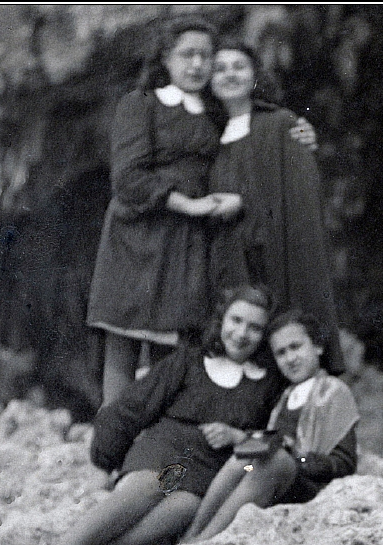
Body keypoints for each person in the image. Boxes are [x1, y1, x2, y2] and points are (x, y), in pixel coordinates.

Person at [17, 286, 281, 545]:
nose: (241, 333)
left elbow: (272, 438)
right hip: (162, 453)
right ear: (222, 320)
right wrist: (103, 463)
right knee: (154, 484)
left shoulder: (267, 385)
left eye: (254, 327)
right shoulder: (190, 362)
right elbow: (130, 409)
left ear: (264, 335)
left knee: (183, 509)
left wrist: (236, 436)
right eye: (236, 321)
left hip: (204, 474)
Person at [86, 16, 243, 406]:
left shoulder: (214, 115)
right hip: (137, 235)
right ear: (166, 60)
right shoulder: (142, 105)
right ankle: (112, 449)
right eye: (187, 55)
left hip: (186, 244)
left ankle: (151, 453)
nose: (196, 65)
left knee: (170, 352)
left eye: (205, 56)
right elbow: (128, 178)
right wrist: (188, 204)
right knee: (123, 349)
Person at [206, 40, 347, 375]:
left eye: (238, 67)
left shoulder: (279, 124)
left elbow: (298, 198)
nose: (229, 75)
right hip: (226, 262)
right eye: (220, 68)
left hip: (273, 257)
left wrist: (245, 205)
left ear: (255, 75)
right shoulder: (205, 135)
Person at [181, 311, 358, 544]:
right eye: (281, 353)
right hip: (273, 484)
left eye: (296, 347)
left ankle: (204, 541)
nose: (290, 358)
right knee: (241, 461)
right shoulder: (285, 397)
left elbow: (345, 463)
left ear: (317, 347)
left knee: (275, 461)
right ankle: (191, 536)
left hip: (310, 487)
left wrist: (298, 458)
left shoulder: (334, 392)